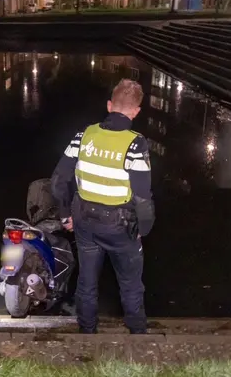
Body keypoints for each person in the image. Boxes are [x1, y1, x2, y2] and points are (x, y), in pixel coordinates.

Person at [51, 79, 155, 334]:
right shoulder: (136, 144)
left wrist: (65, 217)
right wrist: (144, 229)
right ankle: (138, 335)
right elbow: (143, 197)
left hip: (84, 220)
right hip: (121, 226)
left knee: (86, 281)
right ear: (136, 111)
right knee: (130, 284)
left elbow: (57, 181)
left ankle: (87, 332)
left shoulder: (83, 135)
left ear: (110, 106)